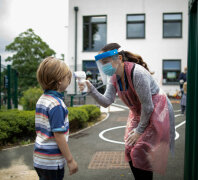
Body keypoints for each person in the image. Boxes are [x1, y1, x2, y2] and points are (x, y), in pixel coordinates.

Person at [79, 43, 175, 179]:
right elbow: (106, 102)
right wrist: (91, 89)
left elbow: (148, 107)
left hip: (157, 111)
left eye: (106, 62)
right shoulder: (113, 77)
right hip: (140, 112)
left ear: (118, 58)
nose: (104, 66)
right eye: (102, 63)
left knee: (139, 149)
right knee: (129, 148)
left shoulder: (137, 73)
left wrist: (139, 131)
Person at [34, 57, 78, 180]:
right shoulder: (56, 104)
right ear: (59, 80)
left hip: (40, 158)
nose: (69, 81)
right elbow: (58, 136)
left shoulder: (42, 99)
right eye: (67, 78)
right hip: (52, 162)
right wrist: (70, 160)